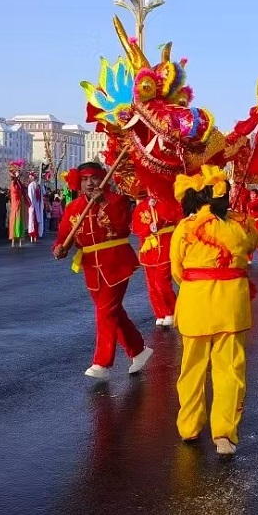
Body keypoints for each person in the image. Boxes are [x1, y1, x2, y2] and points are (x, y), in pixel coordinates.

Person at [170, 166, 258, 456]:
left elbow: (177, 270)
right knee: (230, 371)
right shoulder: (242, 224)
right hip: (231, 307)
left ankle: (189, 427)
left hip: (195, 305)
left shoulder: (185, 228)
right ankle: (224, 435)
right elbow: (254, 245)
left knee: (192, 368)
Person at [52, 161, 152, 380]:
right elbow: (63, 235)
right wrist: (60, 248)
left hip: (116, 261)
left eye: (94, 178)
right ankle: (139, 350)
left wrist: (104, 202)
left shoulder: (118, 201)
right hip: (91, 267)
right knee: (113, 312)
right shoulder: (73, 207)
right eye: (85, 179)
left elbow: (124, 228)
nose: (90, 183)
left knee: (105, 312)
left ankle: (102, 363)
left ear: (103, 178)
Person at [132, 187, 181, 328]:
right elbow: (136, 225)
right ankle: (160, 313)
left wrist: (160, 220)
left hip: (166, 244)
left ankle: (172, 311)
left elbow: (176, 217)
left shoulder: (169, 201)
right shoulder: (142, 205)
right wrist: (147, 229)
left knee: (161, 282)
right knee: (152, 285)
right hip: (148, 248)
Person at [8, 161, 28, 248]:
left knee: (20, 221)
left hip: (20, 204)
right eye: (17, 172)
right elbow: (14, 192)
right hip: (16, 205)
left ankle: (20, 240)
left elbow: (24, 190)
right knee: (15, 221)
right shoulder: (13, 183)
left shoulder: (19, 183)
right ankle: (13, 239)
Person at [27, 171, 45, 242]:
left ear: (32, 177)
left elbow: (30, 196)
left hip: (33, 206)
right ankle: (37, 235)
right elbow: (44, 194)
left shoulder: (31, 185)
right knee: (38, 220)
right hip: (38, 206)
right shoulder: (39, 185)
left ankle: (33, 235)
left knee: (32, 220)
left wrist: (30, 205)